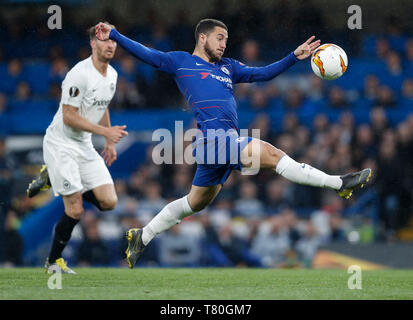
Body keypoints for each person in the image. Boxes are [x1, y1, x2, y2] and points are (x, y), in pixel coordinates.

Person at [95, 18, 371, 269]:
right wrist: (116, 34)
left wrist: (293, 57)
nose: (224, 43)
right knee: (273, 155)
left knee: (195, 203)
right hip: (215, 140)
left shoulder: (229, 67)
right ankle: (339, 184)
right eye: (219, 37)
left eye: (226, 39)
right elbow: (150, 55)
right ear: (202, 38)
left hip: (220, 144)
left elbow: (262, 74)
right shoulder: (182, 62)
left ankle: (143, 235)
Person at [28, 22, 128, 274]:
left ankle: (54, 178)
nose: (110, 44)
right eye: (104, 39)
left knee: (109, 202)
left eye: (113, 40)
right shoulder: (78, 74)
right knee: (75, 210)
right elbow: (69, 116)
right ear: (93, 44)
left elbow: (102, 104)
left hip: (83, 144)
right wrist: (105, 132)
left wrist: (108, 140)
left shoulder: (113, 75)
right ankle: (53, 262)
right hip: (61, 143)